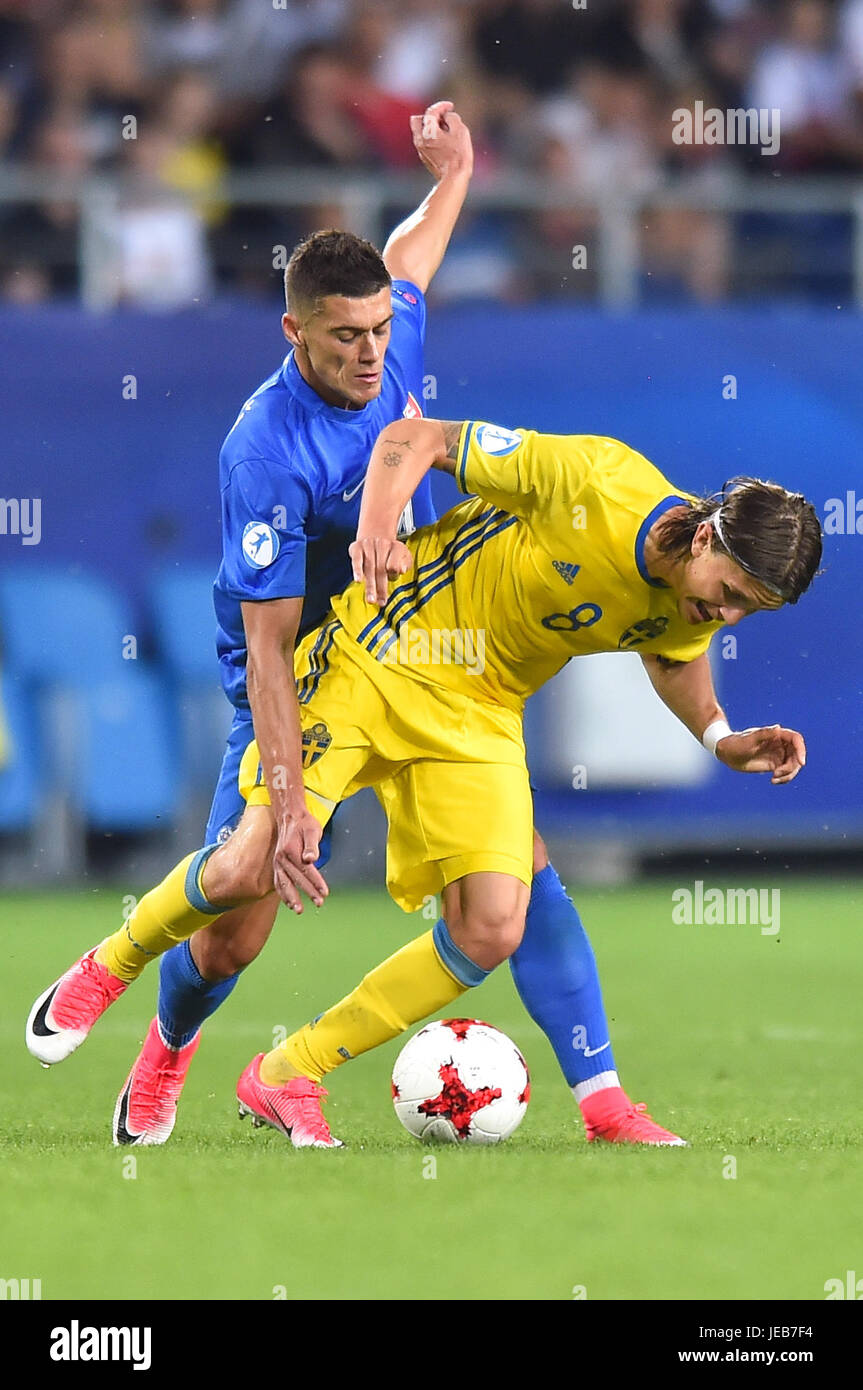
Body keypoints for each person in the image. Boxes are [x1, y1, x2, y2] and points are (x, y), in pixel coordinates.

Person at [26, 103, 674, 1150]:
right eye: (345, 337)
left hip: (423, 658)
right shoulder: (263, 452)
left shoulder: (389, 326)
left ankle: (600, 1099)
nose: (372, 354)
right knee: (239, 919)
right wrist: (289, 805)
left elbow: (414, 250)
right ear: (295, 331)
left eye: (380, 332)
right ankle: (156, 1037)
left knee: (513, 876)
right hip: (308, 676)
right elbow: (273, 648)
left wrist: (454, 171)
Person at [28, 411, 821, 1151]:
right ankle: (110, 966)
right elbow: (415, 438)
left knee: (491, 924)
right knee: (247, 866)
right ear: (707, 535)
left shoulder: (696, 596)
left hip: (478, 713)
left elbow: (670, 651)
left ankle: (287, 1071)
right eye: (732, 594)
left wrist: (721, 739)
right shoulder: (595, 480)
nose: (728, 618)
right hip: (382, 651)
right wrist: (376, 531)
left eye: (751, 611)